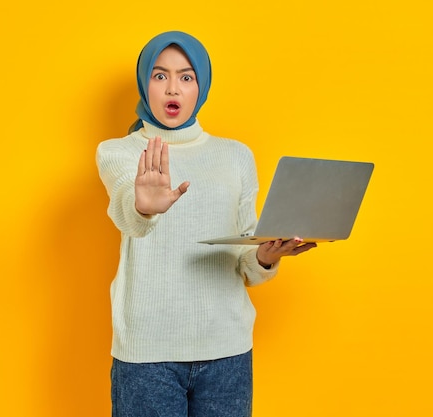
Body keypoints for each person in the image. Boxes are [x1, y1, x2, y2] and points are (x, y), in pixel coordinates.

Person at [96, 31, 316, 417]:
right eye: (160, 75)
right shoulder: (120, 152)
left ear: (202, 85)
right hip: (149, 356)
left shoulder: (235, 156)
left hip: (227, 352)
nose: (172, 89)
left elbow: (246, 262)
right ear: (144, 82)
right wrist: (144, 207)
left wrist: (265, 256)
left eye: (186, 76)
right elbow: (128, 213)